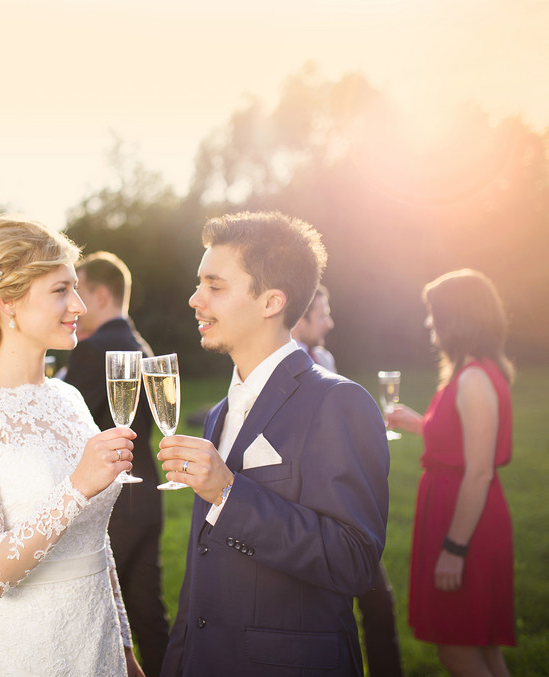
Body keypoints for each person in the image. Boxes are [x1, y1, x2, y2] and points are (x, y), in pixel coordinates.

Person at [158, 211, 389, 676]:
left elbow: (354, 561)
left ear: (271, 302)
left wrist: (229, 493)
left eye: (214, 286)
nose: (194, 299)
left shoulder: (338, 402)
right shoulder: (221, 413)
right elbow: (203, 565)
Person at [0, 216, 145, 676]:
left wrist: (125, 649)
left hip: (99, 642)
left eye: (76, 288)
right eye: (61, 290)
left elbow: (98, 541)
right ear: (8, 301)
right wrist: (75, 488)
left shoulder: (68, 398)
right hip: (25, 651)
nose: (79, 306)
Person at [386, 269, 515, 677]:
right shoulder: (469, 372)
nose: (429, 323)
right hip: (458, 511)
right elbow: (462, 442)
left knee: (458, 652)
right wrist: (418, 423)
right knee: (484, 650)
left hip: (466, 522)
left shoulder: (474, 378)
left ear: (457, 318)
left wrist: (454, 549)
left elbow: (478, 472)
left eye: (434, 314)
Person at [63, 251, 169, 677]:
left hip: (112, 502)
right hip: (146, 495)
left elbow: (70, 426)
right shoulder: (139, 345)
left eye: (80, 290)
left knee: (97, 613)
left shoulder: (95, 351)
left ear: (101, 295)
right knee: (148, 610)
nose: (74, 303)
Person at [292, 284, 404, 677]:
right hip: (305, 509)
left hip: (344, 500)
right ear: (300, 318)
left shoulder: (324, 358)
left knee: (378, 601)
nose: (330, 322)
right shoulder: (278, 368)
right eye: (322, 314)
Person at [291, 284, 336, 372]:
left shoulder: (324, 359)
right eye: (322, 316)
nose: (330, 324)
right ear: (299, 320)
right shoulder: (281, 362)